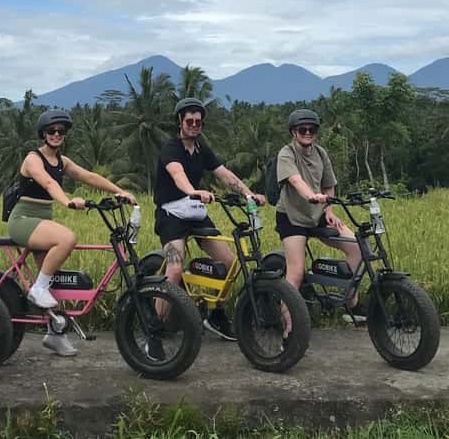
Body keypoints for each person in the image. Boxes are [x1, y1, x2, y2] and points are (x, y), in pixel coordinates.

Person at [8, 108, 137, 357]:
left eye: (61, 131)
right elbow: (48, 183)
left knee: (54, 281)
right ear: (43, 134)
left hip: (42, 221)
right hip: (24, 219)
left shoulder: (62, 161)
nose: (56, 134)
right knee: (67, 238)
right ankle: (36, 291)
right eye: (51, 131)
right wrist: (67, 201)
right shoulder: (33, 159)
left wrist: (118, 191)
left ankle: (55, 335)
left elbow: (88, 176)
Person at [153, 97, 266, 341]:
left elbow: (225, 174)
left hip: (194, 213)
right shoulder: (171, 148)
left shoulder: (201, 149)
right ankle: (156, 327)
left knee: (229, 262)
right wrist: (192, 190)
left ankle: (216, 313)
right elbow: (177, 173)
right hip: (170, 214)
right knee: (174, 268)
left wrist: (249, 194)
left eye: (198, 121)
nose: (194, 125)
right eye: (189, 120)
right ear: (180, 122)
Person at [275, 108, 365, 322]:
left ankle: (350, 304)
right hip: (291, 216)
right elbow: (296, 181)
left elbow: (329, 185)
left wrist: (329, 210)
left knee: (358, 248)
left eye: (312, 129)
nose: (307, 132)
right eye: (302, 129)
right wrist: (312, 196)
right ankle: (287, 324)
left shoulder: (321, 153)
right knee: (295, 272)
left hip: (318, 213)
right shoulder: (286, 153)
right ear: (293, 132)